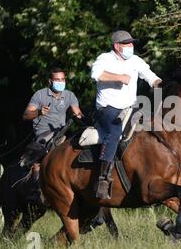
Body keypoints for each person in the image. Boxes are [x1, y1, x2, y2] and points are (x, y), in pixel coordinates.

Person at [90, 30, 162, 200]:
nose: (131, 46)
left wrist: (158, 82)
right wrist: (119, 77)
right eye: (127, 44)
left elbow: (150, 75)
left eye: (131, 43)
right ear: (117, 46)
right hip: (108, 109)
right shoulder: (104, 59)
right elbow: (95, 75)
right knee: (114, 133)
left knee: (154, 123)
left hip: (130, 108)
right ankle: (103, 179)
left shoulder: (135, 60)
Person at [22, 68, 83, 204]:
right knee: (41, 153)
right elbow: (26, 115)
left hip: (62, 131)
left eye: (62, 79)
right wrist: (39, 112)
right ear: (50, 81)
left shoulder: (69, 95)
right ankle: (35, 190)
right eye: (57, 80)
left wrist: (80, 118)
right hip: (43, 132)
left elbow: (77, 112)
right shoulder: (40, 95)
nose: (60, 82)